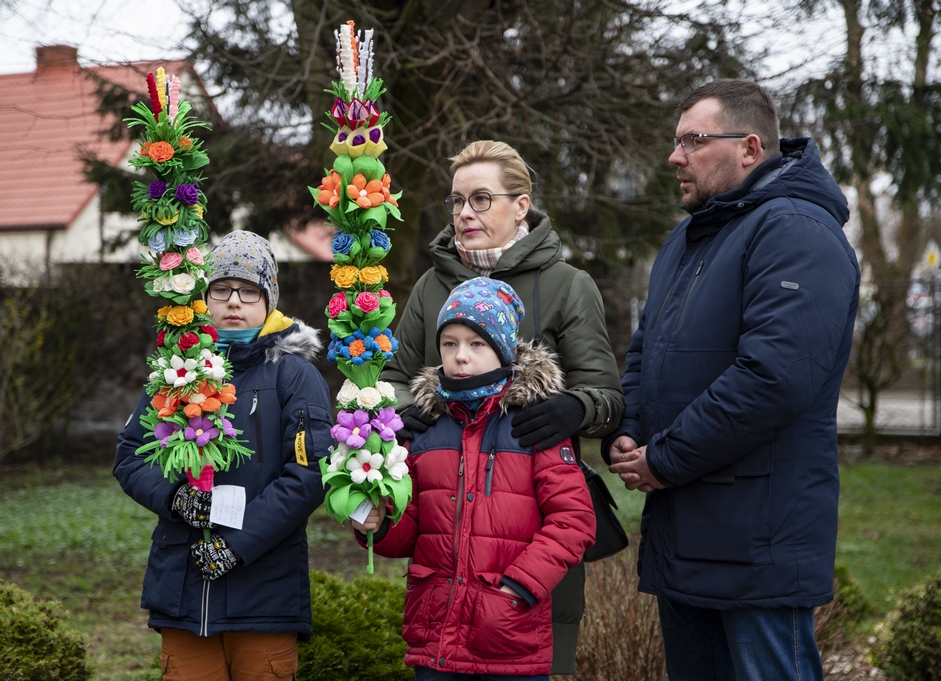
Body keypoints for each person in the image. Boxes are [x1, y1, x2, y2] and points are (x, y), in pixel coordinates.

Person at [604, 79, 860, 681]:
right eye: (676, 141)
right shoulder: (687, 239)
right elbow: (645, 352)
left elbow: (773, 378)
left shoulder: (796, 231)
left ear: (749, 147)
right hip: (685, 530)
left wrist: (663, 459)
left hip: (758, 541)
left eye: (693, 140)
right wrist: (629, 427)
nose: (675, 157)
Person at [381, 140, 624, 672]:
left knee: (524, 657)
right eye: (456, 201)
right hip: (446, 517)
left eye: (481, 199)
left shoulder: (567, 285)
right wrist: (401, 411)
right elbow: (393, 377)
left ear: (521, 206)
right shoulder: (430, 286)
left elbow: (607, 396)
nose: (464, 213)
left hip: (529, 517)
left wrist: (573, 409)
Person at [114, 231, 333, 681]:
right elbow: (131, 456)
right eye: (222, 289)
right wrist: (174, 497)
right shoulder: (177, 372)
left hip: (264, 594)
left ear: (269, 299)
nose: (234, 300)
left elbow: (308, 474)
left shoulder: (294, 376)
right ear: (204, 297)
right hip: (182, 591)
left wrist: (236, 545)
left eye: (249, 290)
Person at [354, 277, 596, 680]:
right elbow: (412, 531)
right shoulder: (424, 429)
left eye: (477, 343)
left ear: (503, 349)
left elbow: (573, 521)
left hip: (509, 637)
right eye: (450, 343)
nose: (461, 357)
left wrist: (518, 588)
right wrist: (378, 524)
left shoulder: (535, 425)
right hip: (435, 640)